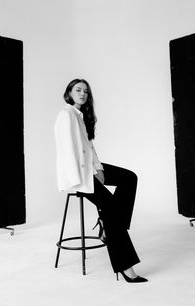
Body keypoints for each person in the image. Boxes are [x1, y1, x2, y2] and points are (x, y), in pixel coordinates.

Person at [54, 78, 148, 283]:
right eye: (78, 90)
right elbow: (67, 151)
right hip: (78, 176)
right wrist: (81, 180)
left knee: (129, 178)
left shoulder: (80, 116)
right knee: (112, 209)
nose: (82, 94)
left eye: (85, 91)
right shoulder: (66, 115)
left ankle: (109, 225)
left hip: (89, 170)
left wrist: (98, 169)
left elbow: (89, 148)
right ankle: (126, 266)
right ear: (69, 93)